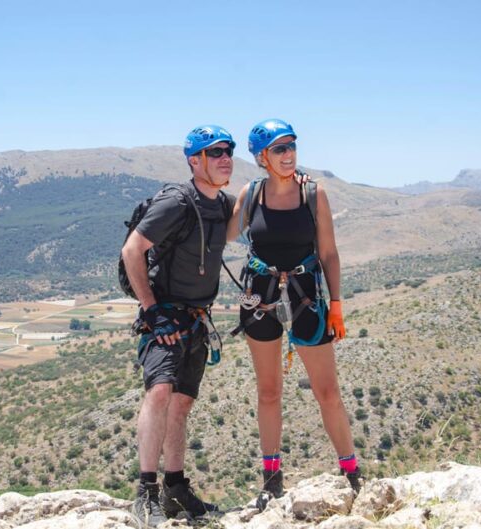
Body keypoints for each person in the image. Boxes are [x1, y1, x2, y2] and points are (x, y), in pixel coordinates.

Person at [227, 118, 360, 510]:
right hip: (261, 300)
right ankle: (272, 480)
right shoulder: (251, 195)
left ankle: (352, 475)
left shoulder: (313, 194)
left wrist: (337, 305)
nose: (289, 155)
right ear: (262, 157)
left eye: (292, 146)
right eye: (279, 149)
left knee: (327, 391)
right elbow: (223, 235)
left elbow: (329, 253)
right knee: (269, 392)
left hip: (306, 300)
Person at [121, 125, 236, 526]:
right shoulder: (176, 202)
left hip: (196, 320)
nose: (225, 158)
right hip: (165, 318)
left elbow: (256, 210)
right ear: (194, 161)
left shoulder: (222, 205)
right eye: (215, 152)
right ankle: (145, 493)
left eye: (228, 150)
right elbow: (133, 249)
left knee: (182, 402)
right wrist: (151, 310)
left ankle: (175, 488)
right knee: (159, 392)